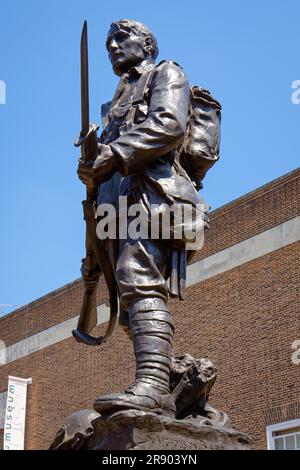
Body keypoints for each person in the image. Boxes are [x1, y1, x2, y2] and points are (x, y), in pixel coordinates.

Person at [77, 19, 204, 418]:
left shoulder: (167, 72)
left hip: (155, 198)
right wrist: (90, 169)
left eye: (121, 37)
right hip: (114, 207)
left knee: (138, 279)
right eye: (107, 42)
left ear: (146, 43)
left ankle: (151, 385)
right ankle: (162, 380)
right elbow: (105, 162)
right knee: (130, 302)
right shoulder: (110, 104)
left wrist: (112, 155)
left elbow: (168, 124)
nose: (112, 46)